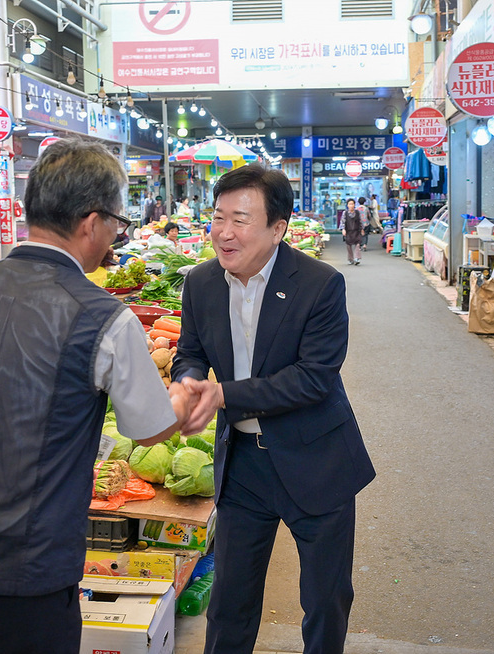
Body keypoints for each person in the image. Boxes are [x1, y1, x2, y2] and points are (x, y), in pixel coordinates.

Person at [0, 138, 195, 654]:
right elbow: (148, 429)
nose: (115, 237)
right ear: (91, 223)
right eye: (117, 224)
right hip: (19, 574)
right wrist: (183, 403)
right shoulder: (104, 318)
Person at [170, 164, 375, 654]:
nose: (224, 232)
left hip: (316, 459)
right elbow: (190, 351)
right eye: (218, 217)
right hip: (243, 465)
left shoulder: (319, 283)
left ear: (278, 228)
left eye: (240, 220)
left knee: (325, 600)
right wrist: (187, 383)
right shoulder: (201, 283)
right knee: (230, 602)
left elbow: (313, 378)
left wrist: (224, 395)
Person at [341, 198, 364, 265]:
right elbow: (342, 222)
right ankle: (350, 259)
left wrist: (362, 229)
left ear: (354, 205)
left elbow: (360, 221)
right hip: (348, 231)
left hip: (356, 231)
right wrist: (343, 229)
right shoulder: (345, 213)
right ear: (347, 205)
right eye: (350, 204)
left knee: (358, 244)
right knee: (348, 245)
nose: (351, 205)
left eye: (352, 204)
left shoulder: (357, 212)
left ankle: (357, 258)